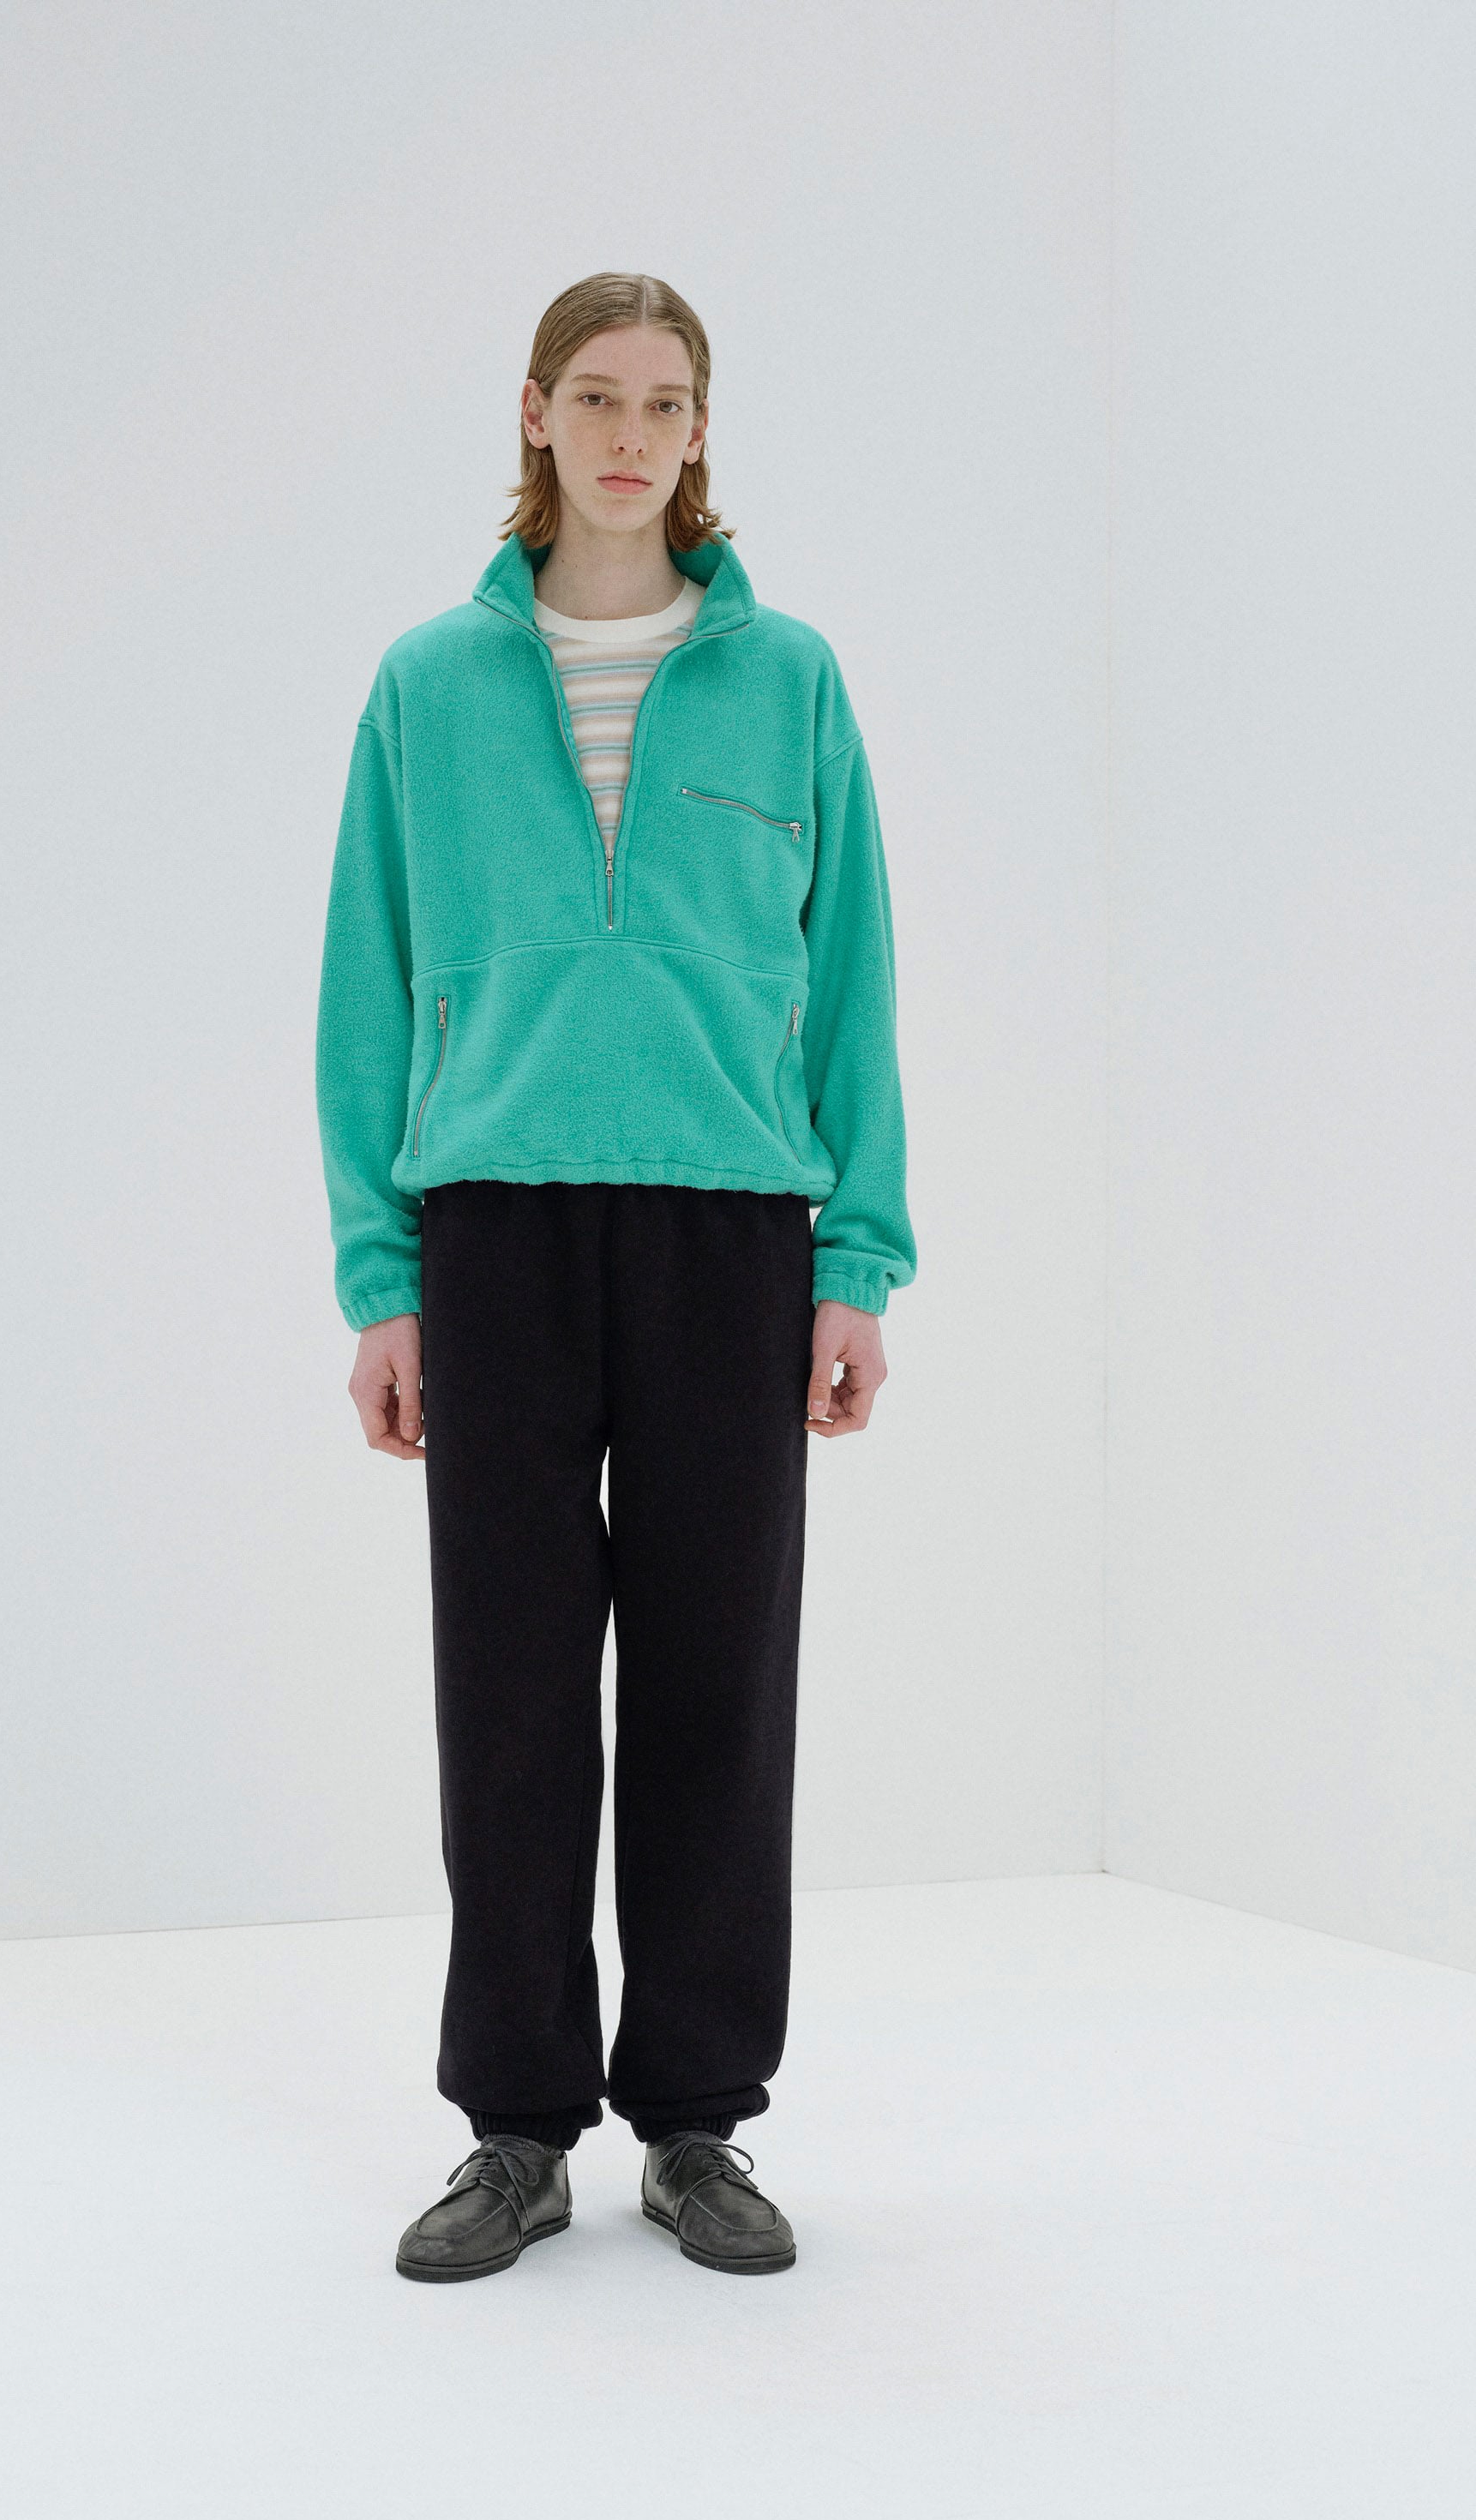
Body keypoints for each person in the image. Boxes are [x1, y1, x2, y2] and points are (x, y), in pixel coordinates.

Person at [314, 271, 915, 2283]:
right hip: (492, 1229)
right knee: (506, 1688)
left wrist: (859, 1259)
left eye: (665, 401)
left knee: (717, 1682)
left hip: (732, 1232)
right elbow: (363, 991)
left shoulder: (790, 679)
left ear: (702, 430)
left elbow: (854, 983)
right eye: (597, 396)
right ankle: (513, 2125)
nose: (631, 434)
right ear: (536, 414)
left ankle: (695, 2119)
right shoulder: (426, 685)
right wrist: (381, 1278)